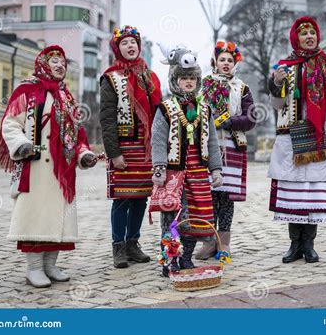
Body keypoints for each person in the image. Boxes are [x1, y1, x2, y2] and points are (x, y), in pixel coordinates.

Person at [0, 45, 97, 288]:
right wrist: (22, 145)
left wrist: (83, 155)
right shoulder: (27, 90)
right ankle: (33, 268)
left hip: (63, 171)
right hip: (36, 167)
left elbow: (77, 135)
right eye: (55, 61)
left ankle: (51, 265)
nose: (61, 65)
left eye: (63, 62)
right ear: (43, 63)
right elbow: (10, 123)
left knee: (58, 219)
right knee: (36, 217)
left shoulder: (67, 97)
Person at [267, 17, 326, 264]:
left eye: (312, 33)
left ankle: (310, 244)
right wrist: (277, 83)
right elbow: (277, 105)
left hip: (318, 136)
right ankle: (295, 244)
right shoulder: (285, 66)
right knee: (294, 191)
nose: (309, 37)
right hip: (291, 138)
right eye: (304, 33)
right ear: (296, 38)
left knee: (313, 192)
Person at [151, 44, 223, 277]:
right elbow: (158, 140)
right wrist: (159, 167)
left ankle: (187, 258)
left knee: (196, 217)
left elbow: (212, 142)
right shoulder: (166, 108)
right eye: (183, 78)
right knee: (173, 218)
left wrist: (216, 169)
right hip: (174, 174)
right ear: (175, 80)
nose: (189, 82)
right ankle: (169, 260)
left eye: (192, 78)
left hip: (198, 173)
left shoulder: (205, 109)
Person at [99, 25, 162, 268]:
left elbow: (159, 112)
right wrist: (114, 153)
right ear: (117, 48)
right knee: (122, 199)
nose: (130, 46)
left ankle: (133, 243)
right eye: (124, 43)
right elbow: (106, 118)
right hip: (125, 148)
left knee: (140, 199)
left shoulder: (150, 77)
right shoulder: (110, 78)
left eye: (133, 42)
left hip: (145, 148)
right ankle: (118, 247)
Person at [196, 41, 256, 259]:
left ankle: (224, 242)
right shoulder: (203, 84)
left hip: (232, 146)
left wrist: (229, 121)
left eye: (230, 60)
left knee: (226, 197)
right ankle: (209, 241)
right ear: (215, 61)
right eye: (222, 59)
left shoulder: (241, 88)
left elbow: (250, 117)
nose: (226, 64)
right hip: (208, 147)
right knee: (209, 195)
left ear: (235, 64)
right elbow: (195, 109)